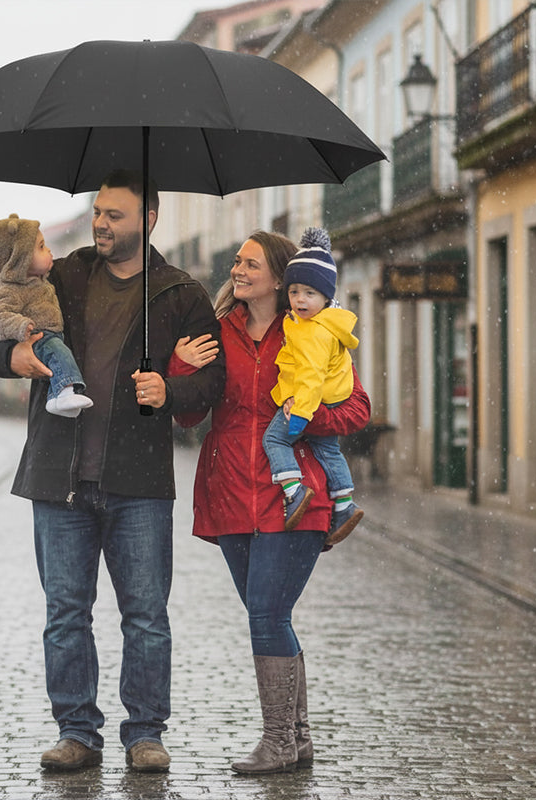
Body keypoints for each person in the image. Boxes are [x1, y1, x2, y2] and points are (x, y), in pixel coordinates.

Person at [0, 169, 225, 773]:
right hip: (58, 477)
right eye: (99, 212)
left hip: (139, 483)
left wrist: (171, 387)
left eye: (115, 214)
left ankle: (145, 733)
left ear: (149, 219)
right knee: (65, 613)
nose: (102, 223)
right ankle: (77, 732)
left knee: (145, 615)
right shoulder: (64, 274)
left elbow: (212, 384)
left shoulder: (180, 292)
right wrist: (17, 356)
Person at [172, 230, 370, 774]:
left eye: (249, 262)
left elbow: (357, 407)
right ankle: (298, 738)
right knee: (268, 614)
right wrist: (182, 368)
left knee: (266, 612)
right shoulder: (215, 332)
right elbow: (188, 417)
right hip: (230, 489)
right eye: (235, 260)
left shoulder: (312, 332)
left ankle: (279, 741)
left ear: (281, 279)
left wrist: (303, 423)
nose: (237, 269)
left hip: (297, 494)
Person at [262, 227, 364, 543]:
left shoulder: (314, 333)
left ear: (326, 297)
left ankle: (293, 490)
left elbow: (310, 376)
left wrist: (301, 415)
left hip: (311, 402)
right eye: (294, 292)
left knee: (275, 440)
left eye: (309, 293)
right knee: (328, 449)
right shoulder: (322, 325)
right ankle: (345, 503)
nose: (300, 300)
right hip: (331, 399)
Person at [0, 214, 92, 418]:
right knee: (59, 353)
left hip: (49, 334)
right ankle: (65, 391)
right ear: (20, 261)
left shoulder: (41, 280)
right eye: (41, 247)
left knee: (59, 355)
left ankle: (56, 397)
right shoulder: (10, 288)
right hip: (38, 336)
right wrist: (20, 327)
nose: (49, 250)